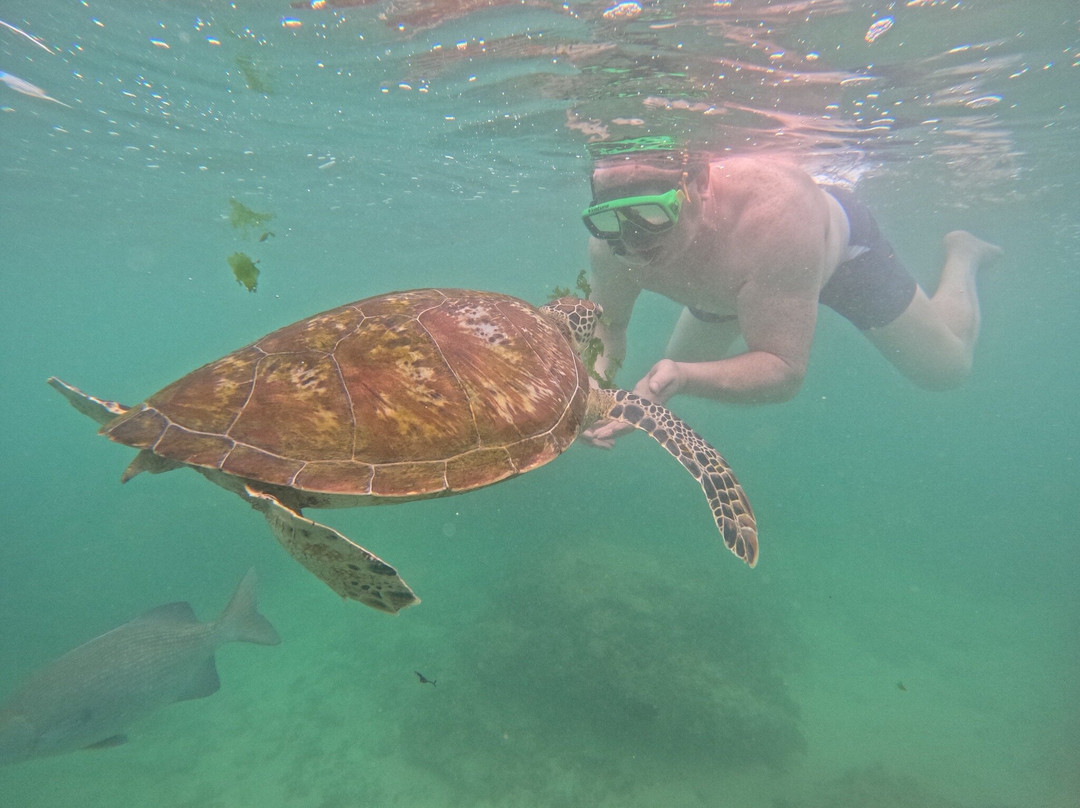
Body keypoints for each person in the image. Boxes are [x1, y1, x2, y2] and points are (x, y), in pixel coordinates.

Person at [579, 138, 1003, 448]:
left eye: (652, 213)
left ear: (701, 182)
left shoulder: (775, 217)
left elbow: (783, 370)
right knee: (665, 385)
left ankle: (964, 253)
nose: (632, 243)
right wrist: (590, 395)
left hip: (840, 260)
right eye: (611, 218)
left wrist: (685, 376)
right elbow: (608, 327)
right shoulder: (609, 245)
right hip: (725, 289)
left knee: (946, 370)